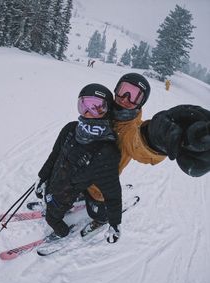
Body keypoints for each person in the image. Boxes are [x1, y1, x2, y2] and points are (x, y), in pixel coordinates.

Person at [84, 73, 210, 218]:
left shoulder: (130, 129)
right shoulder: (103, 110)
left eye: (134, 96)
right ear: (116, 90)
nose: (125, 99)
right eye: (123, 90)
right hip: (80, 172)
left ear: (141, 103)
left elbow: (138, 144)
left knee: (97, 206)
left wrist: (156, 139)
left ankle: (101, 217)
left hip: (99, 185)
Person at [35, 84, 122, 243]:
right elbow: (54, 156)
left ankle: (62, 232)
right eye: (84, 106)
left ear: (107, 111)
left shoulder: (106, 151)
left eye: (97, 108)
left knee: (52, 218)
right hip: (53, 183)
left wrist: (115, 223)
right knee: (50, 198)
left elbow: (113, 193)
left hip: (65, 195)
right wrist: (42, 177)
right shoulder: (70, 129)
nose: (88, 113)